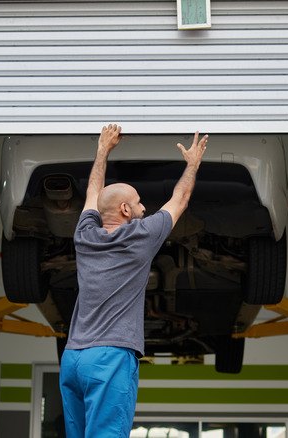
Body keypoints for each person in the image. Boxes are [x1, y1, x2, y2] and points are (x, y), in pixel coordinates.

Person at [59, 124, 208, 438]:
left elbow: (92, 195)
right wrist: (192, 164)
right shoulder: (141, 236)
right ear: (125, 210)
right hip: (109, 359)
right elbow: (179, 200)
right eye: (139, 202)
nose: (144, 207)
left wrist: (103, 150)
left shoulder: (85, 235)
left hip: (73, 358)